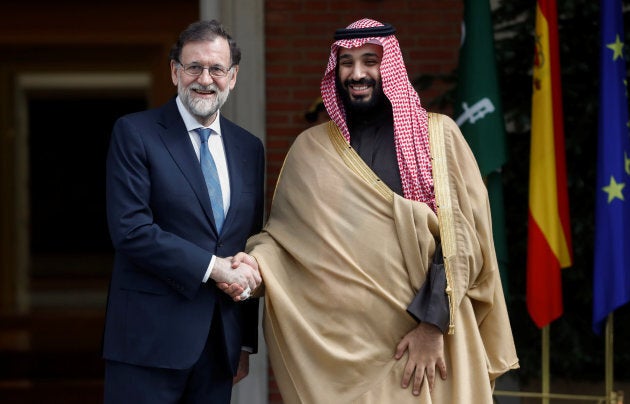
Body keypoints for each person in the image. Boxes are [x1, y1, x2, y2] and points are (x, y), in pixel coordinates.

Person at [225, 18, 519, 403]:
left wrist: (432, 326)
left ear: (391, 66)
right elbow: (284, 242)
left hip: (430, 343)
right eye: (346, 63)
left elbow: (464, 238)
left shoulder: (439, 135)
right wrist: (254, 266)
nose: (357, 73)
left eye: (370, 61)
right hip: (345, 354)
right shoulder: (310, 150)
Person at [102, 20, 264, 404]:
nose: (204, 78)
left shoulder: (249, 148)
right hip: (147, 345)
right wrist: (214, 267)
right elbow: (131, 230)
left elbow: (248, 241)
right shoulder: (135, 133)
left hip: (218, 348)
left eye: (216, 69)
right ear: (175, 71)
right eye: (194, 67)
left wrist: (242, 343)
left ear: (234, 76)